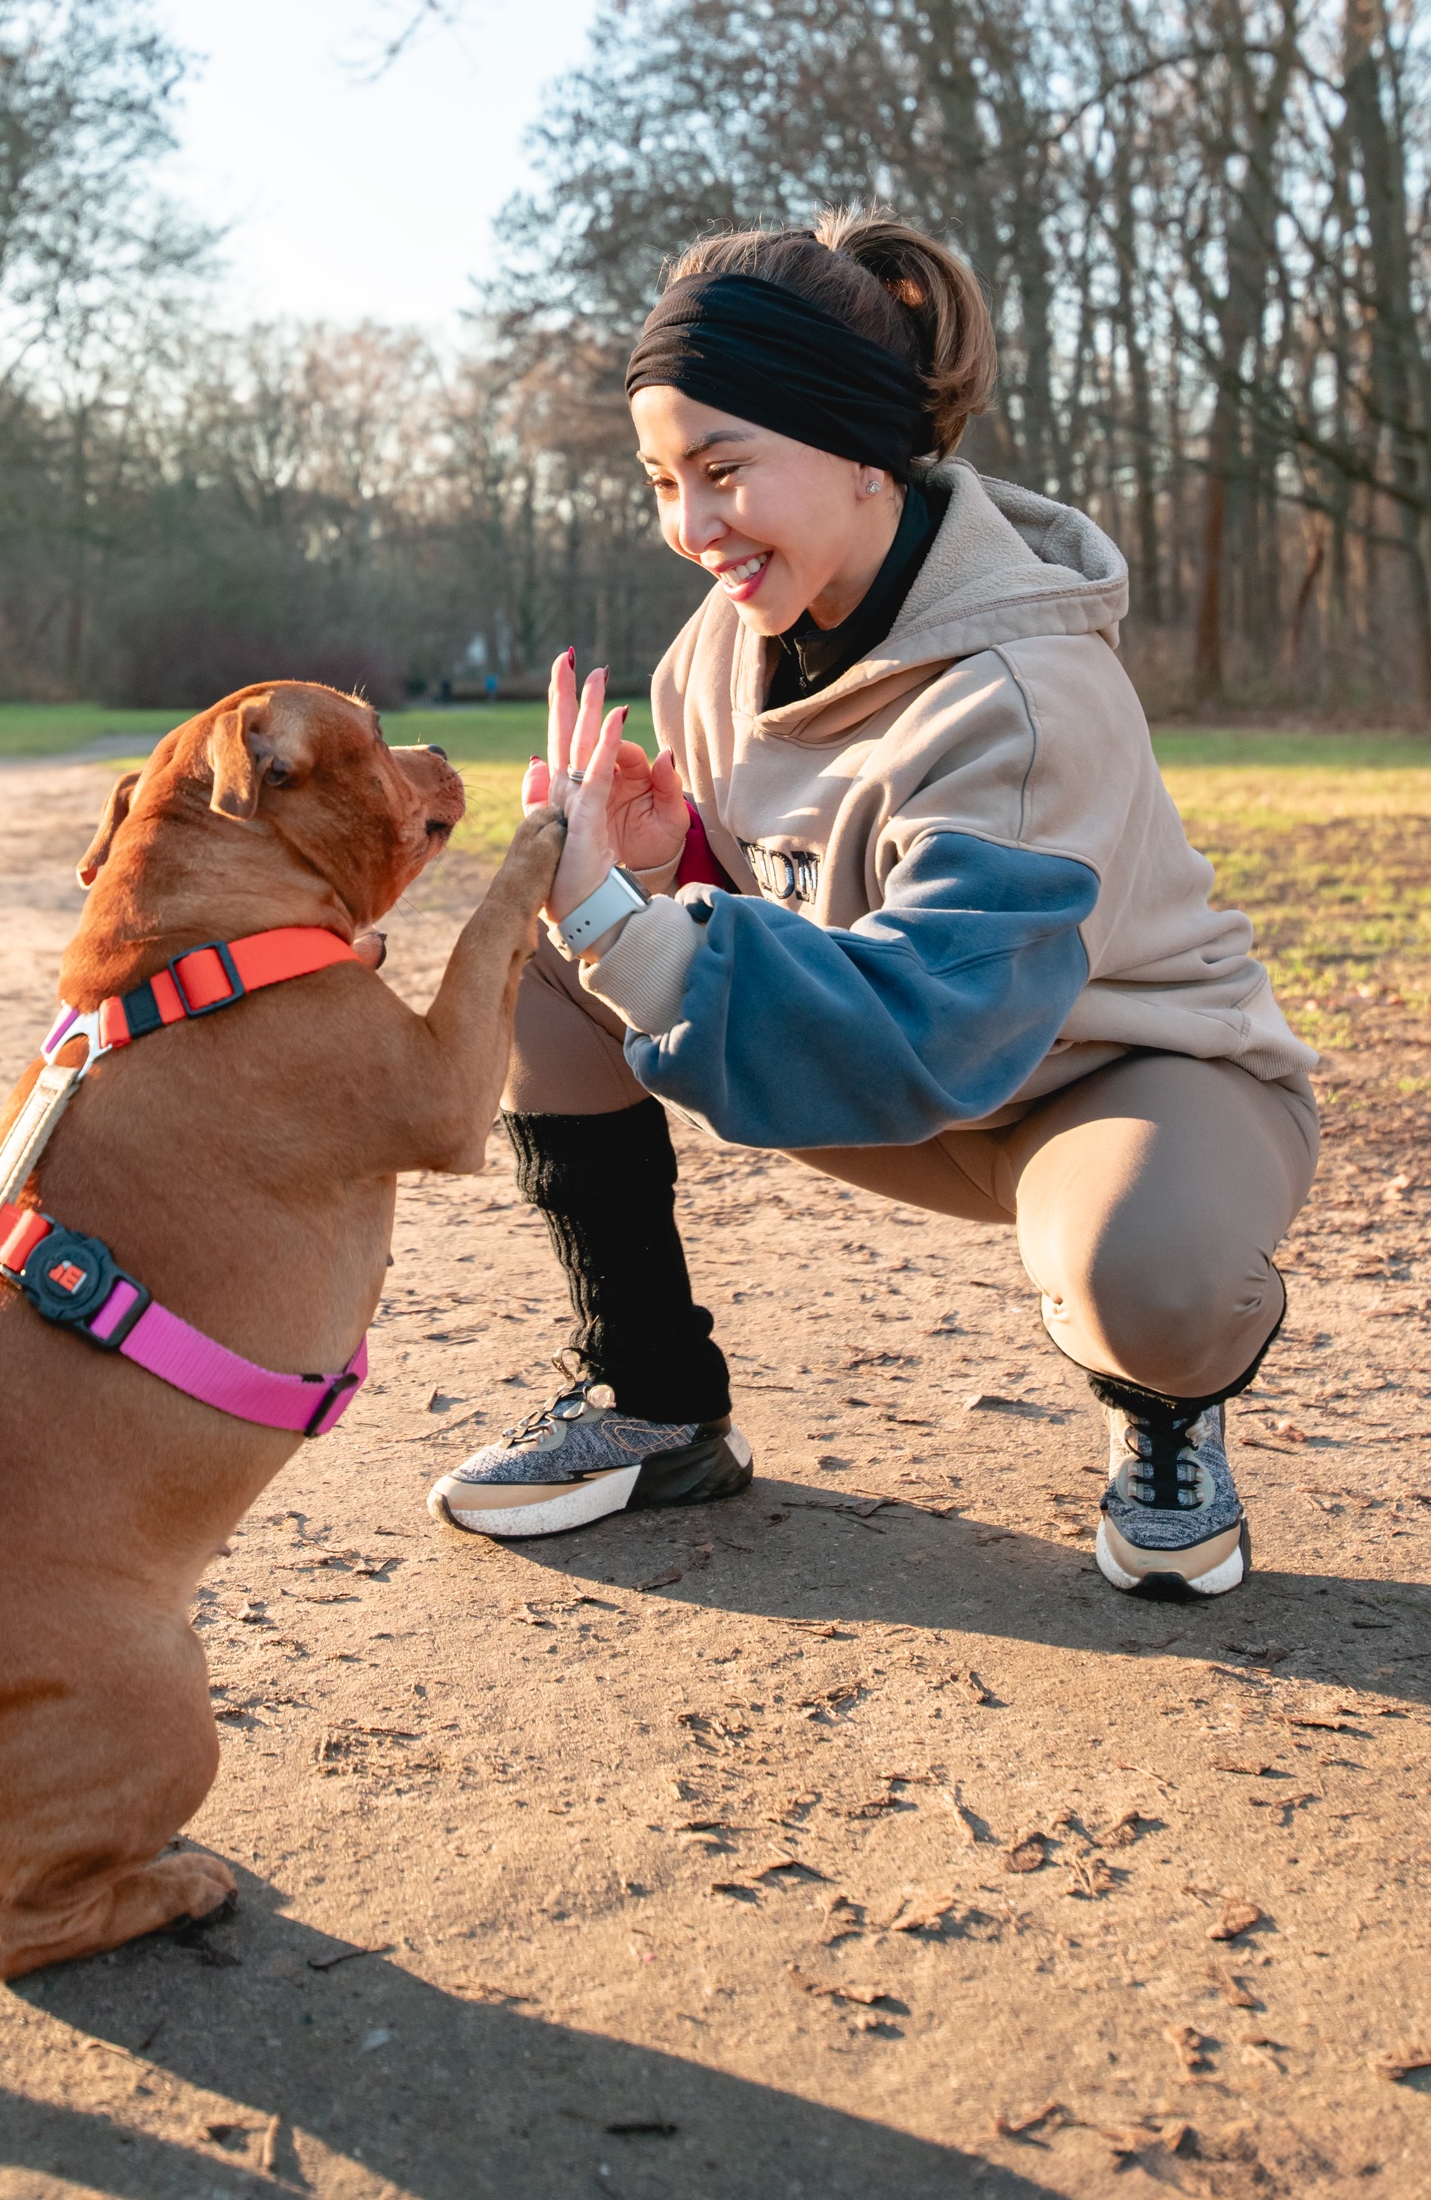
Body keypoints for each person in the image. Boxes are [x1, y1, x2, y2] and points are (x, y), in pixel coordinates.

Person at [427, 210, 1317, 1601]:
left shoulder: (1026, 690)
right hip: (898, 1072)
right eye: (664, 480)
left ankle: (1164, 1407)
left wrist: (624, 923)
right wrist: (668, 866)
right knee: (545, 948)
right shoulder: (720, 648)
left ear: (859, 450)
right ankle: (653, 1399)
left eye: (725, 469)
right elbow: (785, 925)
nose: (692, 527)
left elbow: (929, 1028)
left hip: (1118, 1078)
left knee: (1152, 1282)